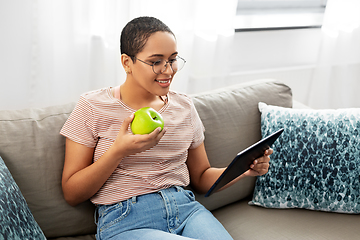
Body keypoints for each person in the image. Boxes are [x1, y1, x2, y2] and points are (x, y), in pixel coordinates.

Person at [60, 16, 272, 240]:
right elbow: (72, 193)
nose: (168, 70)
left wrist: (243, 169)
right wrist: (119, 150)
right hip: (126, 221)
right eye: (156, 61)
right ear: (127, 63)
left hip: (187, 211)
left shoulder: (184, 106)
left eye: (172, 59)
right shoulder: (92, 106)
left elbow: (200, 177)